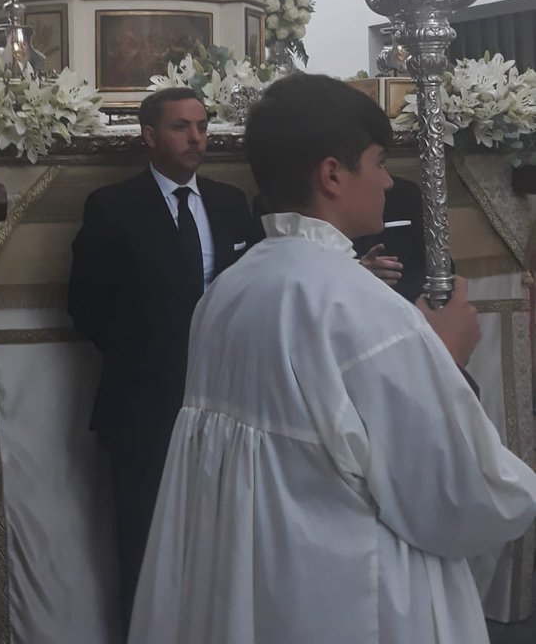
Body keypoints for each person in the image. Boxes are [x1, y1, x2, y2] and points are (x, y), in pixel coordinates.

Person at [129, 73, 536, 644]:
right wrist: (445, 359)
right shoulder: (365, 309)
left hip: (254, 592)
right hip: (354, 600)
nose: (389, 180)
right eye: (378, 162)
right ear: (332, 175)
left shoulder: (229, 290)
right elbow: (457, 499)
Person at [68, 86, 259, 627]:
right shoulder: (112, 206)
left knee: (219, 534)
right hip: (142, 406)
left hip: (224, 400)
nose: (197, 137)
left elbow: (249, 288)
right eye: (182, 127)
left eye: (202, 126)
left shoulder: (228, 202)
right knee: (145, 537)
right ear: (150, 136)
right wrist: (157, 353)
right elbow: (85, 305)